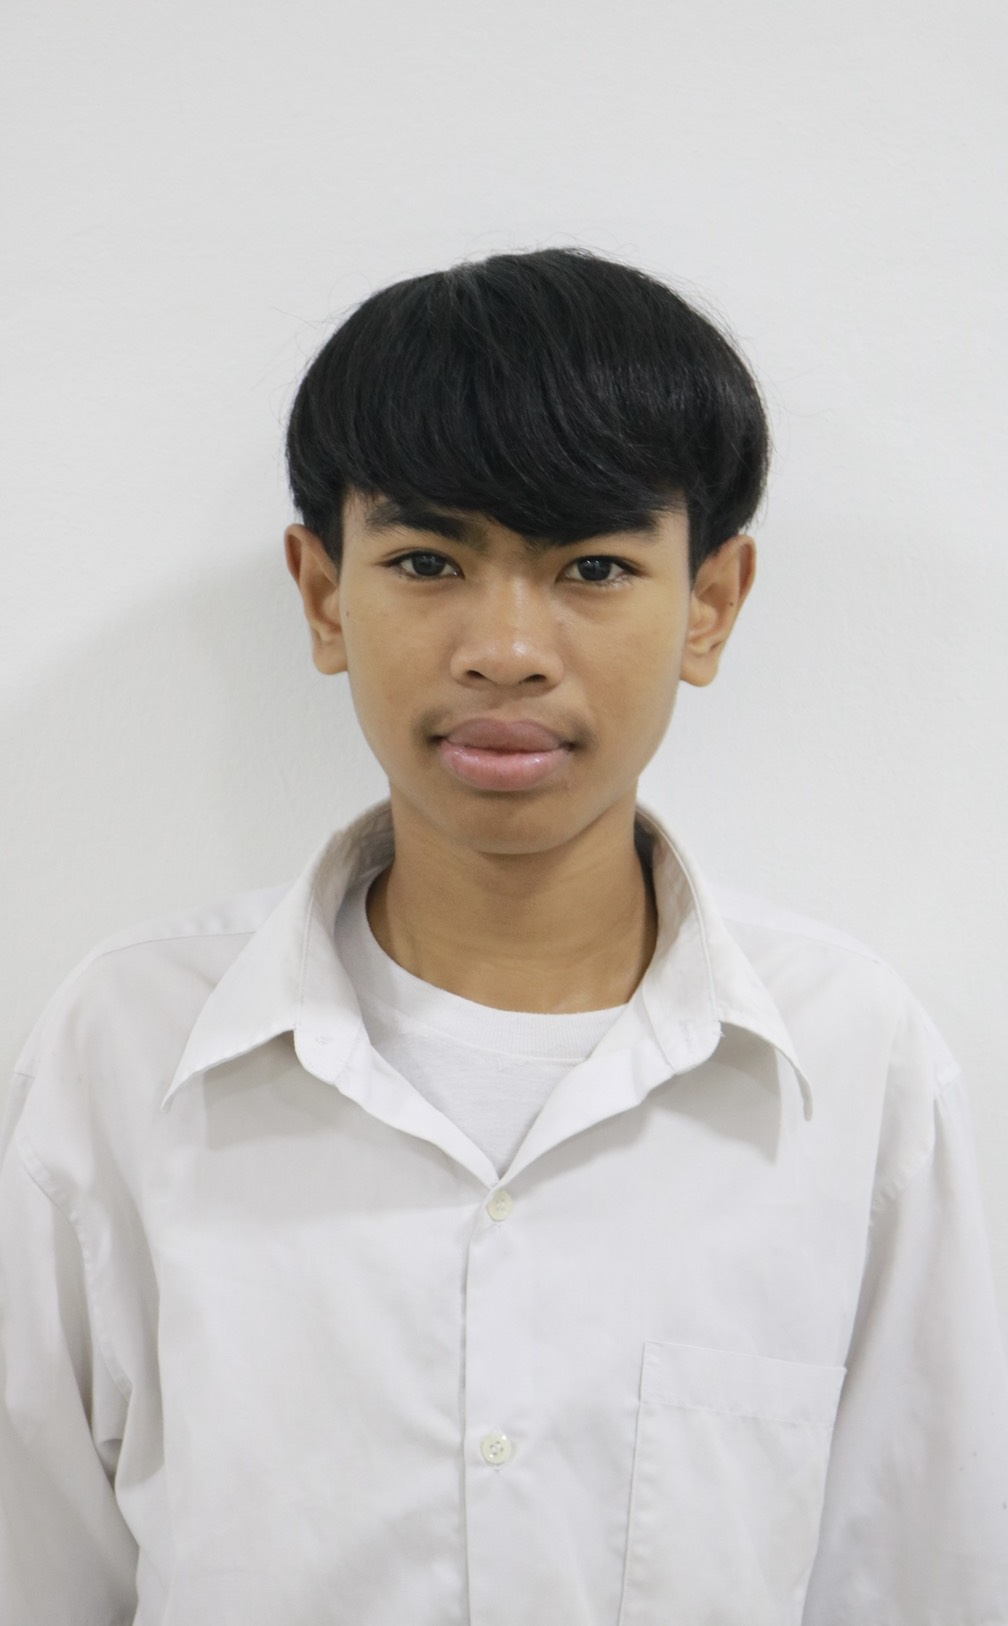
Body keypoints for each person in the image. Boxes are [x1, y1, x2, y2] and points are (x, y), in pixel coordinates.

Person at [1, 247, 1006, 1626]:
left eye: (594, 566)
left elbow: (924, 1574)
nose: (506, 649)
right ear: (322, 594)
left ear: (710, 604)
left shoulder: (851, 1062)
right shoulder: (127, 1046)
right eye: (428, 561)